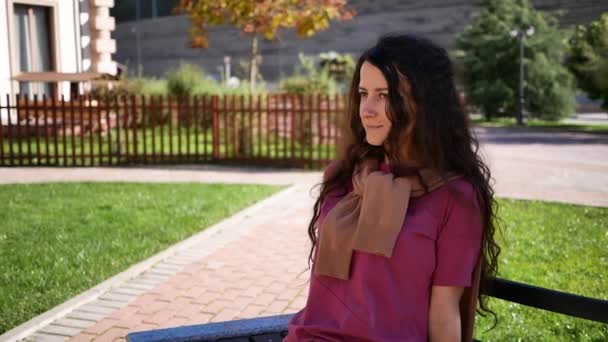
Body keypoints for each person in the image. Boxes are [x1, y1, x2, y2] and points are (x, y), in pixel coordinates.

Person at [284, 34, 500, 342]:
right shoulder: (344, 177)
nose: (366, 109)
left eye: (384, 95)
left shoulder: (456, 199)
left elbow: (444, 311)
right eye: (363, 93)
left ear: (425, 103)